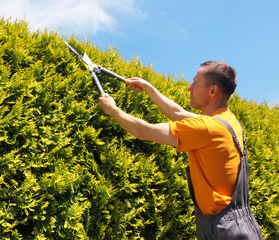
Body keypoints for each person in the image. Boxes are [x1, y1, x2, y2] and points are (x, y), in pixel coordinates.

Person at [98, 61, 263, 239]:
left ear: (213, 91)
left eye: (195, 83)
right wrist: (148, 88)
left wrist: (112, 110)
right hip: (244, 226)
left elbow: (143, 131)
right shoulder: (228, 122)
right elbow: (177, 113)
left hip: (223, 231)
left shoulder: (207, 128)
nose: (189, 88)